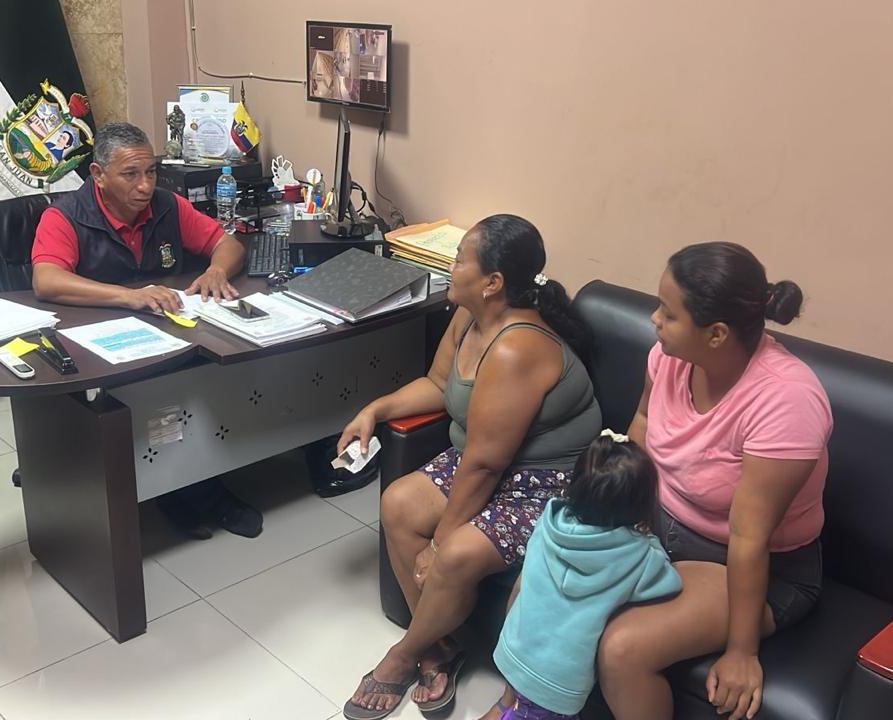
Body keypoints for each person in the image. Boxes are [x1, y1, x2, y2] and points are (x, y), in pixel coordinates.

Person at [488, 241, 832, 720]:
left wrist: (742, 652)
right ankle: (517, 703)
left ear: (716, 334)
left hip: (748, 564)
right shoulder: (670, 357)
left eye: (668, 313)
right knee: (535, 580)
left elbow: (749, 537)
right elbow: (643, 427)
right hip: (654, 528)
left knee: (621, 649)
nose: (654, 320)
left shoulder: (786, 401)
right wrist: (617, 516)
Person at [338, 215, 602, 719]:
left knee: (455, 553)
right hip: (485, 463)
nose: (450, 266)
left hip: (545, 485)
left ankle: (406, 654)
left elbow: (485, 465)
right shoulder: (468, 315)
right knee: (398, 503)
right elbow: (438, 384)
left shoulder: (516, 347)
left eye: (460, 259)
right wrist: (374, 410)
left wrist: (440, 543)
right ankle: (440, 648)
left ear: (493, 282)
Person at [30, 121, 262, 539]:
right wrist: (128, 296)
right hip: (100, 347)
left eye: (151, 172)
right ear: (98, 175)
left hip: (170, 333)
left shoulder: (167, 205)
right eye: (131, 174)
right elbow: (46, 280)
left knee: (218, 373)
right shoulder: (64, 216)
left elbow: (228, 245)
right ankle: (190, 493)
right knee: (163, 398)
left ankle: (193, 482)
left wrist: (215, 270)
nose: (145, 185)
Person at [492, 429, 682, 720]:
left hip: (513, 647)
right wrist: (650, 539)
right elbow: (670, 581)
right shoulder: (638, 556)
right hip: (558, 682)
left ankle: (507, 707)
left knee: (518, 703)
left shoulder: (548, 521)